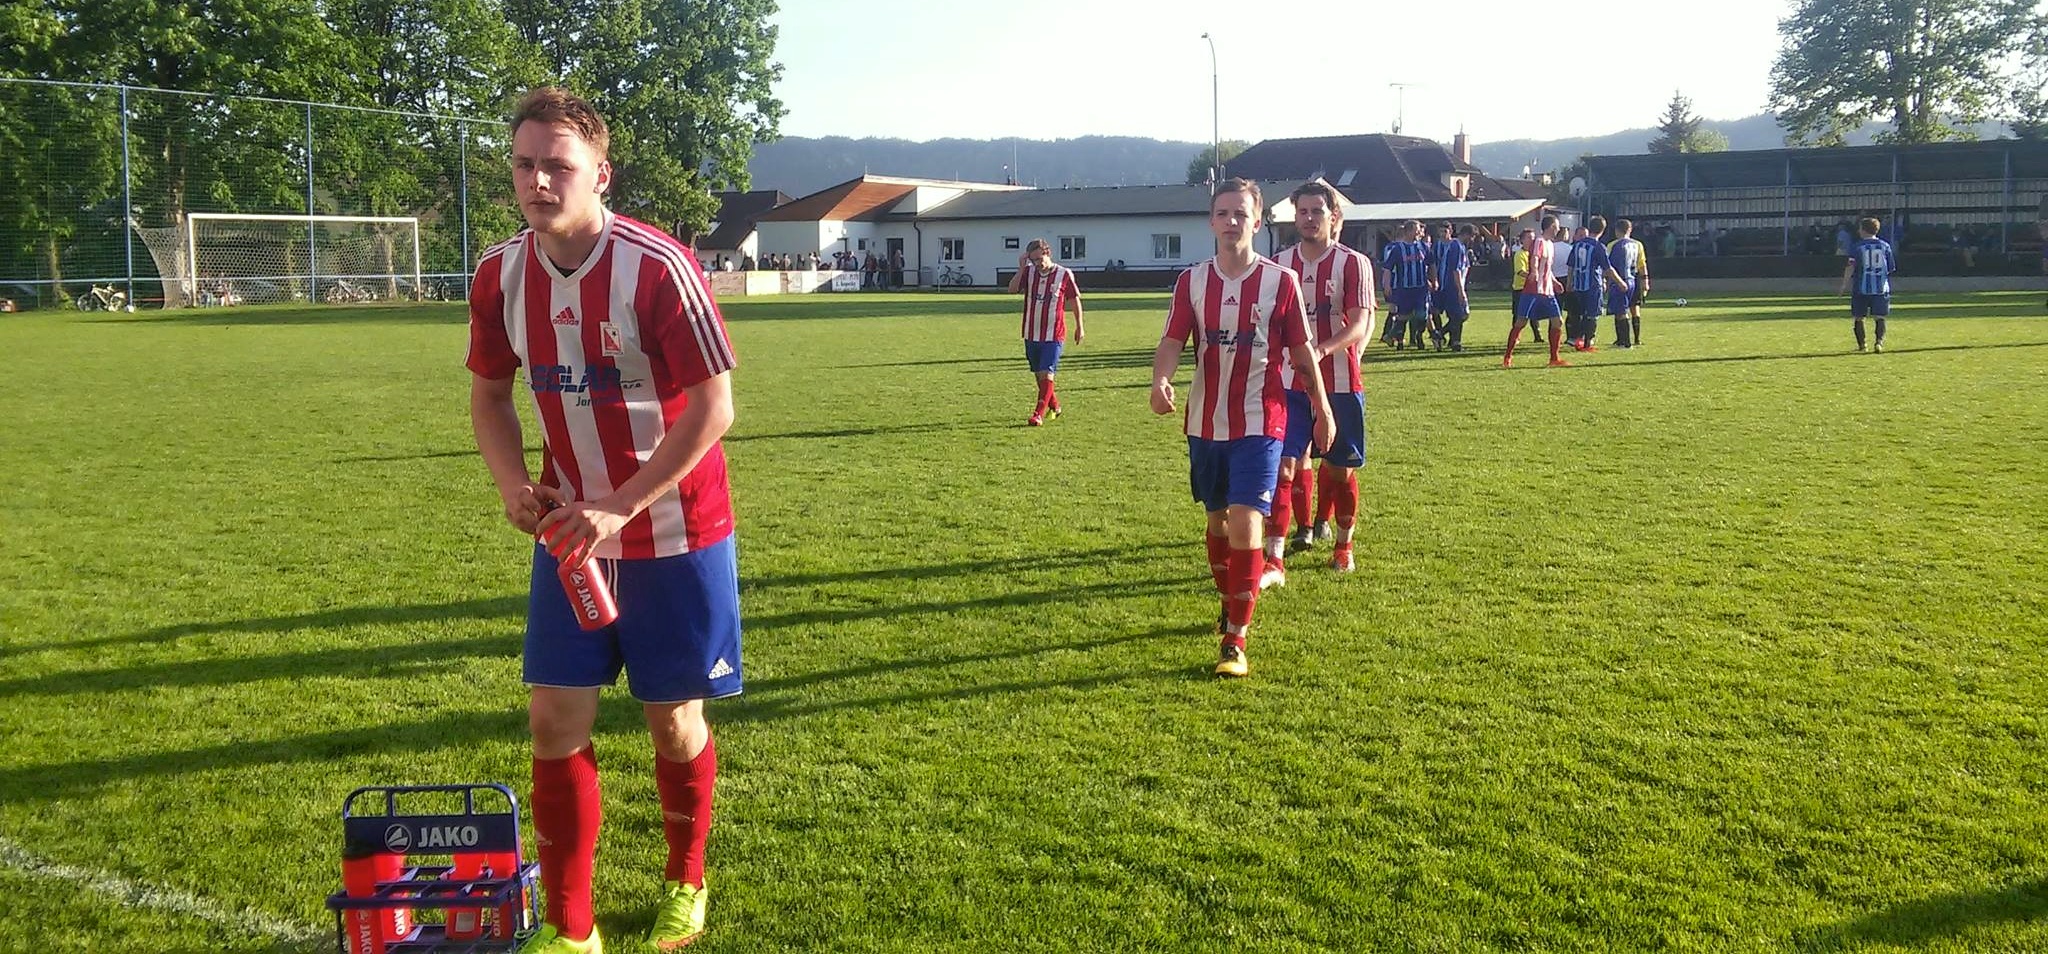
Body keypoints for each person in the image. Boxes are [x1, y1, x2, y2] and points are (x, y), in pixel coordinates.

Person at [466, 87, 740, 954]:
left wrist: (623, 504)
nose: (538, 180)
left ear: (600, 173)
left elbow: (714, 408)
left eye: (558, 164)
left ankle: (685, 882)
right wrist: (514, 483)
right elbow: (488, 395)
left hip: (674, 532)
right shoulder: (498, 273)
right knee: (553, 720)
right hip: (570, 537)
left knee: (674, 721)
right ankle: (571, 927)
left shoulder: (658, 268)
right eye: (524, 164)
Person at [1150, 178, 1333, 678]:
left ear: (1258, 221)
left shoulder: (1280, 283)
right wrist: (1160, 379)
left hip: (1262, 421)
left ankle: (1236, 639)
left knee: (1246, 518)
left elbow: (1301, 353)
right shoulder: (1192, 282)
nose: (1232, 221)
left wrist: (1322, 407)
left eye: (1241, 214)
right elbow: (1172, 340)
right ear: (1211, 222)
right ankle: (1232, 599)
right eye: (1223, 213)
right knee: (1216, 524)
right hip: (1205, 423)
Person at [1265, 181, 1375, 584]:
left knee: (1340, 470)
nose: (1309, 219)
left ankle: (1344, 546)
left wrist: (1322, 350)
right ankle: (1275, 556)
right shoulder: (1278, 265)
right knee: (1284, 467)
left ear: (1334, 217)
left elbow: (1360, 323)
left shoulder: (1353, 263)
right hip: (1288, 382)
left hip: (1340, 381)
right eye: (1303, 212)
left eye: (1317, 211)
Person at [1006, 238, 1085, 426]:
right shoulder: (1029, 272)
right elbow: (1012, 289)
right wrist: (1021, 268)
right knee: (1039, 375)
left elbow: (1074, 300)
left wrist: (1079, 326)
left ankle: (1038, 414)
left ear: (1048, 253)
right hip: (1031, 332)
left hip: (1054, 334)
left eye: (1039, 259)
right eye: (1033, 260)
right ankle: (1055, 406)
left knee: (1047, 372)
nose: (1037, 264)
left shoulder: (1064, 274)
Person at [1503, 215, 1567, 367]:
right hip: (1532, 289)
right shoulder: (1539, 241)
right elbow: (1535, 259)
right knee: (1521, 322)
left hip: (1547, 290)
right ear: (1551, 227)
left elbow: (1548, 268)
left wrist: (1555, 281)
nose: (1558, 229)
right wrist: (1534, 272)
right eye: (1557, 226)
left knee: (1557, 322)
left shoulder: (1551, 244)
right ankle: (1507, 356)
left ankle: (1554, 358)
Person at [1566, 216, 1625, 352]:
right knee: (1592, 314)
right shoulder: (1599, 247)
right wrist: (1620, 282)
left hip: (1579, 284)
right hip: (1592, 285)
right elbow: (1608, 268)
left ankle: (1577, 339)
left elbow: (1571, 266)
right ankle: (1588, 342)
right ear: (1602, 231)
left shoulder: (1577, 245)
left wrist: (1569, 283)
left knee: (1582, 313)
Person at [1840, 215, 1896, 352]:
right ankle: (1879, 343)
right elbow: (1890, 268)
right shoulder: (1885, 246)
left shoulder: (1857, 247)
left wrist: (1844, 284)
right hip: (1881, 289)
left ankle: (1862, 345)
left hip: (1861, 288)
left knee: (1859, 317)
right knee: (1880, 317)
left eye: (1859, 228)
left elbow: (1851, 266)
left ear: (1863, 230)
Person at [1379, 220, 1430, 350]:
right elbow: (1387, 268)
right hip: (1404, 288)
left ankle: (1418, 335)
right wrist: (1387, 285)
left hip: (1421, 288)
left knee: (1422, 315)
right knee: (1402, 316)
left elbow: (1432, 263)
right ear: (1409, 231)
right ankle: (1397, 340)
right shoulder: (1397, 249)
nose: (1419, 232)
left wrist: (1433, 280)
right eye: (1416, 229)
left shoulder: (1423, 247)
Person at [1427, 223, 1472, 352]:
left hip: (1451, 285)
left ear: (1450, 231)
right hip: (1449, 286)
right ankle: (1444, 337)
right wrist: (1460, 289)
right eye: (1440, 232)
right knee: (1459, 315)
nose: (1442, 234)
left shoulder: (1457, 245)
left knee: (1457, 315)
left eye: (1445, 231)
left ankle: (1449, 340)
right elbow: (1454, 269)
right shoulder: (1450, 246)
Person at [1606, 219, 1650, 348]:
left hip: (1619, 279)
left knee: (1620, 309)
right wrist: (1645, 280)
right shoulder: (1638, 244)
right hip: (1634, 279)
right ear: (1630, 230)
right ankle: (1635, 338)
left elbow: (1608, 265)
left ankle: (1623, 340)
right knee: (1634, 308)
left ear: (1616, 231)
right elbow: (1642, 264)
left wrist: (1607, 282)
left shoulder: (1612, 245)